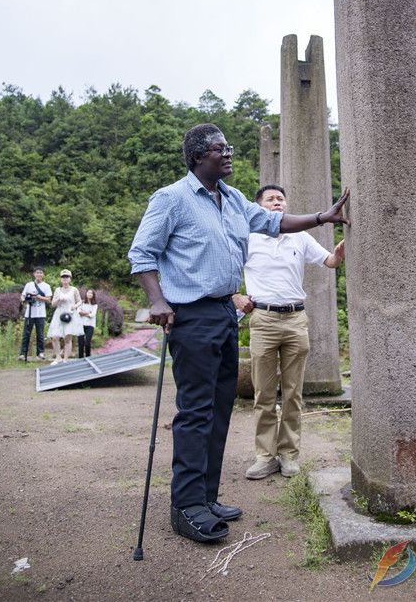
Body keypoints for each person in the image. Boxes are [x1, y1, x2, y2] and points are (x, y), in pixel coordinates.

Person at [128, 123, 349, 545]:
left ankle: (207, 497)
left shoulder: (232, 200)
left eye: (228, 147)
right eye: (219, 148)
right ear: (197, 156)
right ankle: (186, 506)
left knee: (220, 409)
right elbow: (142, 254)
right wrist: (157, 301)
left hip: (225, 316)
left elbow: (275, 221)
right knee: (195, 411)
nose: (228, 153)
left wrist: (322, 217)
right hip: (190, 316)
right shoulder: (171, 199)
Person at [234, 184, 345, 480]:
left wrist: (339, 253)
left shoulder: (300, 236)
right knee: (264, 394)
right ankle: (264, 455)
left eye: (281, 199)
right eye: (270, 199)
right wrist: (237, 297)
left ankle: (289, 455)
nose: (276, 203)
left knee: (294, 394)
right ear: (259, 208)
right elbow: (228, 275)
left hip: (296, 319)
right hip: (263, 320)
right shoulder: (248, 238)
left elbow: (330, 262)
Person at [47, 269, 84, 364]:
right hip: (59, 314)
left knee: (67, 337)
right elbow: (53, 304)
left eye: (67, 277)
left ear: (70, 278)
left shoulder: (74, 289)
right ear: (61, 279)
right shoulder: (57, 290)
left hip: (70, 315)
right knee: (54, 337)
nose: (65, 279)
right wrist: (59, 299)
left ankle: (65, 359)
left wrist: (74, 306)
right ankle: (58, 357)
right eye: (63, 277)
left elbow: (80, 301)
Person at [18, 267, 52, 361]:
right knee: (26, 333)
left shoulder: (46, 286)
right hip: (29, 313)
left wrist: (39, 297)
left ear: (43, 275)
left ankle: (40, 353)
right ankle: (22, 353)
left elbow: (49, 299)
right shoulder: (29, 285)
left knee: (40, 334)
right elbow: (23, 295)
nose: (39, 274)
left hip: (40, 313)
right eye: (37, 272)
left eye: (41, 273)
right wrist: (23, 299)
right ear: (34, 274)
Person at [78, 289, 98, 358]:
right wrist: (88, 313)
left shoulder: (95, 305)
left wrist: (83, 312)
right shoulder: (82, 302)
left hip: (90, 325)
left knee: (87, 343)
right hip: (81, 324)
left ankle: (88, 357)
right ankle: (80, 359)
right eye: (88, 293)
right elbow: (78, 312)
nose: (89, 294)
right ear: (86, 294)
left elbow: (92, 315)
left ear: (93, 295)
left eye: (91, 293)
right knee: (80, 343)